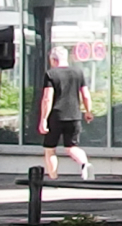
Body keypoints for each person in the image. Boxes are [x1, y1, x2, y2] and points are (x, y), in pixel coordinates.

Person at [38, 44, 93, 181]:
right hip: (74, 115)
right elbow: (85, 94)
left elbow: (47, 98)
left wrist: (43, 119)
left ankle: (53, 178)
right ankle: (85, 164)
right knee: (71, 147)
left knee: (50, 149)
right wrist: (88, 111)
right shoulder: (78, 72)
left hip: (56, 115)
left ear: (53, 60)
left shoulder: (51, 74)